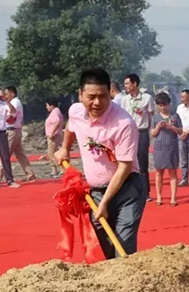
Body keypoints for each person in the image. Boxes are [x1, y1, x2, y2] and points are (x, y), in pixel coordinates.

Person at [55, 68, 146, 259]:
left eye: (103, 96)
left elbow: (124, 167)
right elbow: (70, 129)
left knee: (123, 246)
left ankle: (127, 284)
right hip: (96, 193)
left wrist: (105, 203)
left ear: (110, 94)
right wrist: (65, 148)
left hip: (126, 190)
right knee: (105, 248)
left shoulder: (123, 124)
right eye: (91, 96)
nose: (97, 102)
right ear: (80, 95)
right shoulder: (76, 112)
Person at [121, 74, 155, 201]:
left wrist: (149, 131)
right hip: (128, 134)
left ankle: (145, 193)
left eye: (127, 84)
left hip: (142, 132)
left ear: (134, 84)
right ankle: (129, 192)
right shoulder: (125, 100)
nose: (126, 86)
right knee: (127, 161)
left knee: (142, 163)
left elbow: (151, 115)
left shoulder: (147, 98)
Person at [0, 86, 36, 182]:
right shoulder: (14, 102)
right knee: (20, 154)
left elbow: (11, 118)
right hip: (15, 130)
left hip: (12, 130)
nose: (5, 96)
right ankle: (30, 174)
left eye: (7, 94)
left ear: (12, 93)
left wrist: (3, 119)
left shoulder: (14, 102)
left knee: (5, 155)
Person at [150, 92, 182, 206]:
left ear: (169, 104)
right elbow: (153, 134)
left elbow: (180, 131)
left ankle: (173, 198)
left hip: (172, 146)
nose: (163, 107)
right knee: (159, 173)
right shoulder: (155, 117)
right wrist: (158, 127)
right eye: (160, 105)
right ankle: (159, 196)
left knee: (173, 172)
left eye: (165, 105)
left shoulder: (175, 116)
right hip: (159, 147)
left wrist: (171, 127)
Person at [0, 89, 20, 188]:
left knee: (5, 157)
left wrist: (6, 101)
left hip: (2, 133)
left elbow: (13, 111)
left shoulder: (4, 104)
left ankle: (10, 180)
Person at [45, 98, 64, 177]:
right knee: (53, 152)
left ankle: (62, 169)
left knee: (52, 153)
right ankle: (54, 170)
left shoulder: (55, 112)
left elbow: (57, 121)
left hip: (54, 136)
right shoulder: (56, 111)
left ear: (51, 105)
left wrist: (52, 132)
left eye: (47, 105)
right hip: (55, 135)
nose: (46, 107)